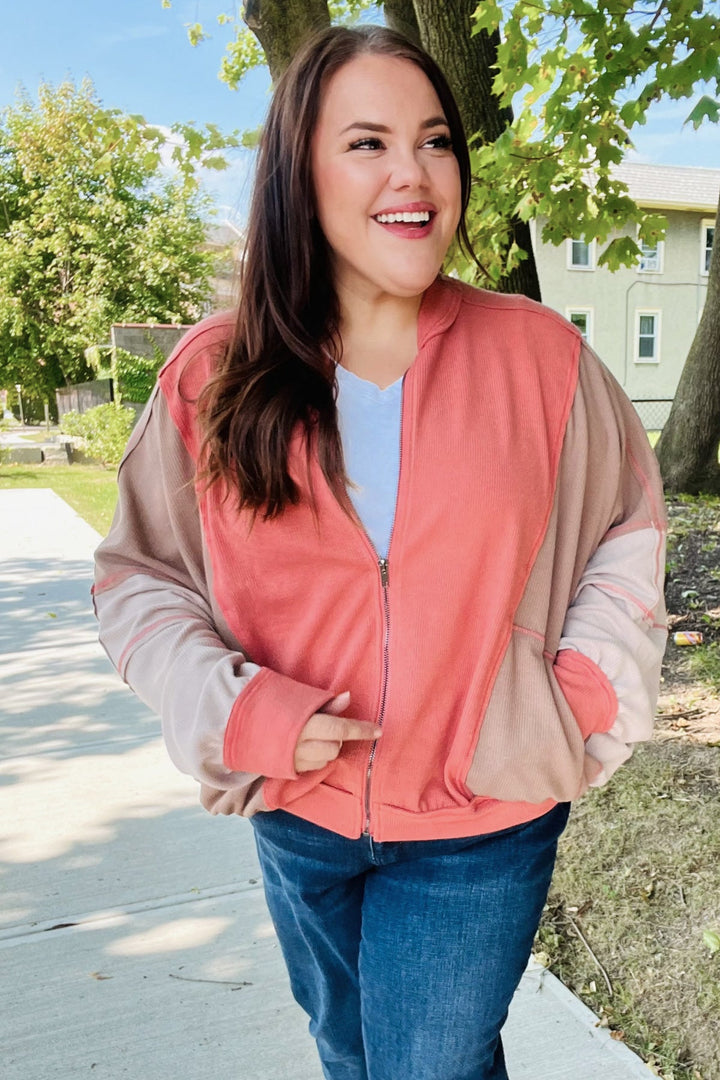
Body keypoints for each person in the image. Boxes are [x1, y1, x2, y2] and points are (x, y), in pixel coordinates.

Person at [93, 24, 667, 1080]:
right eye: (368, 143)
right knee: (352, 1052)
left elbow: (626, 536)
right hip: (298, 812)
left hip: (479, 818)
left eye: (435, 140)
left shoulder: (542, 358)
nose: (414, 172)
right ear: (299, 172)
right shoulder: (213, 374)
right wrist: (233, 709)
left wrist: (574, 699)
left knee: (428, 1066)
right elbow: (141, 580)